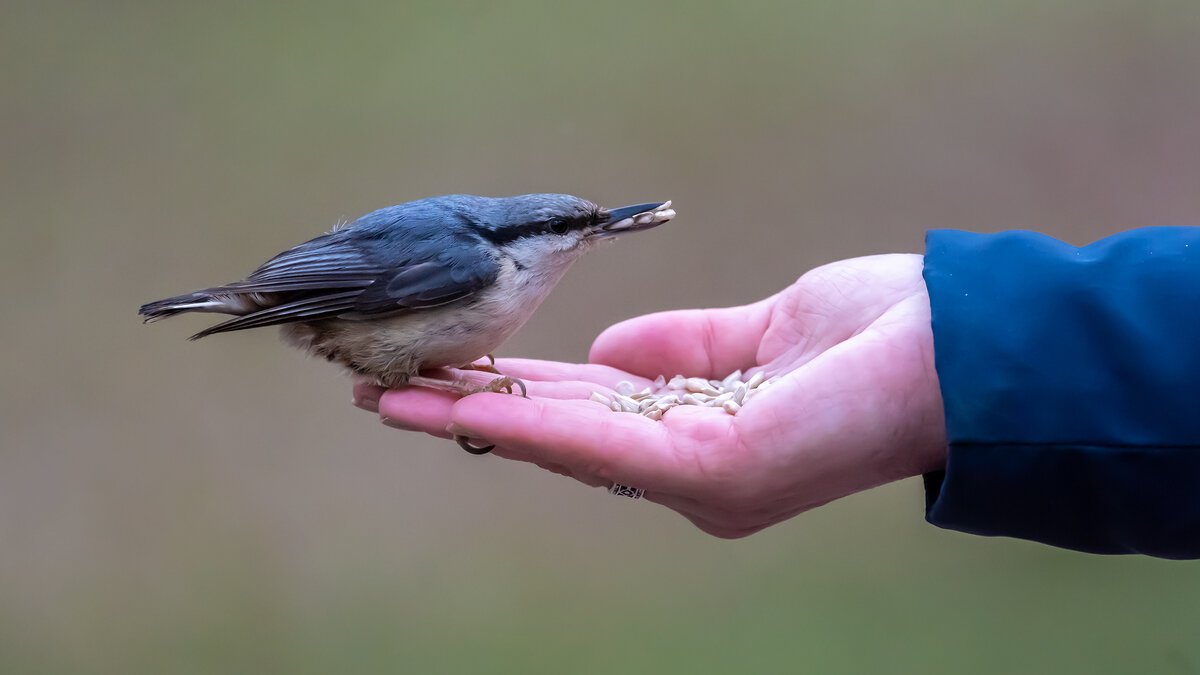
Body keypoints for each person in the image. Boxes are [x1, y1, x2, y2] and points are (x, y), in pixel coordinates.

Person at [351, 228, 1200, 560]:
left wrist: (946, 349)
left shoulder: (501, 269)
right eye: (560, 227)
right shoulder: (474, 260)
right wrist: (950, 344)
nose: (583, 237)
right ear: (516, 237)